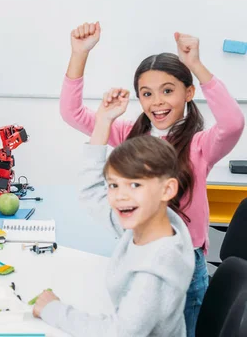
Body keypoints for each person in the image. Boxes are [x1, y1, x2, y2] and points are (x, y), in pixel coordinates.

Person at [59, 22, 244, 335]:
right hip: (140, 255)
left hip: (182, 263)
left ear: (189, 93)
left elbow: (233, 123)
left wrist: (195, 65)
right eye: (146, 94)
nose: (156, 101)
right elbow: (72, 113)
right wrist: (79, 54)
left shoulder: (200, 145)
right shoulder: (132, 135)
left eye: (167, 91)